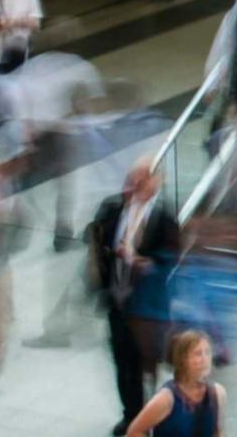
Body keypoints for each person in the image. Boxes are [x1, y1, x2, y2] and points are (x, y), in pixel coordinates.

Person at [91, 163, 183, 436]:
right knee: (122, 360)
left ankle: (149, 416)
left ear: (157, 181)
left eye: (144, 178)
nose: (137, 183)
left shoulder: (164, 217)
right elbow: (99, 243)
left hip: (146, 306)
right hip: (118, 299)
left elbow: (172, 259)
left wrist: (146, 264)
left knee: (146, 363)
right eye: (133, 178)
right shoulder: (114, 208)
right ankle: (130, 414)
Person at [127, 331, 224, 437]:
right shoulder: (166, 399)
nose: (204, 359)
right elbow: (134, 431)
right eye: (197, 354)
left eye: (207, 352)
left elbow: (217, 432)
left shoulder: (217, 393)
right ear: (183, 360)